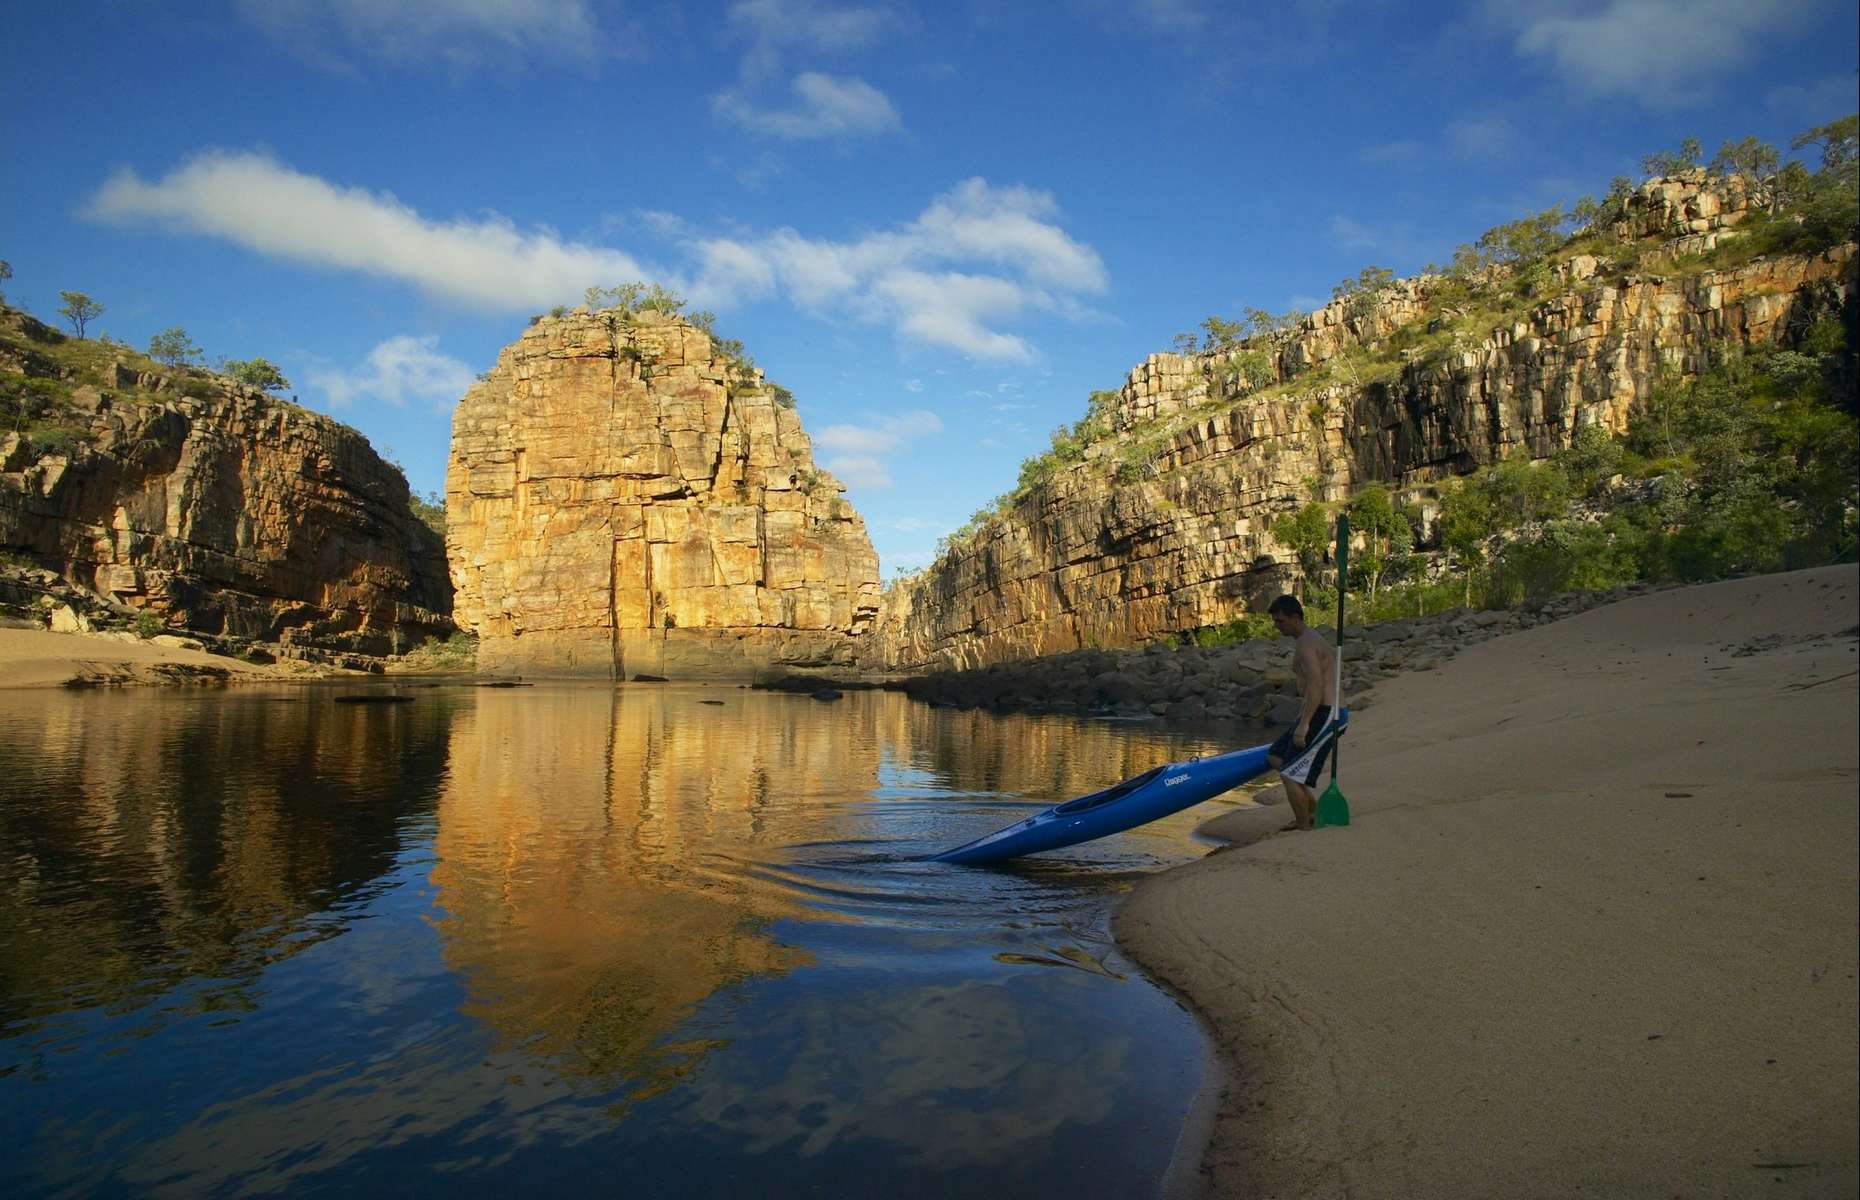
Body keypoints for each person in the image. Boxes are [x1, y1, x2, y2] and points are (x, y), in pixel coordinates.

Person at [1265, 595, 1337, 831]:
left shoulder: (1307, 643)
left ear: (1296, 618)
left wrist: (1305, 723)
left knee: (1290, 773)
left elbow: (1316, 684)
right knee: (1276, 756)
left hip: (1326, 714)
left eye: (1281, 621)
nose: (1277, 626)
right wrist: (1301, 717)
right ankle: (1313, 811)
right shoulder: (1305, 640)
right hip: (1316, 711)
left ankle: (1304, 828)